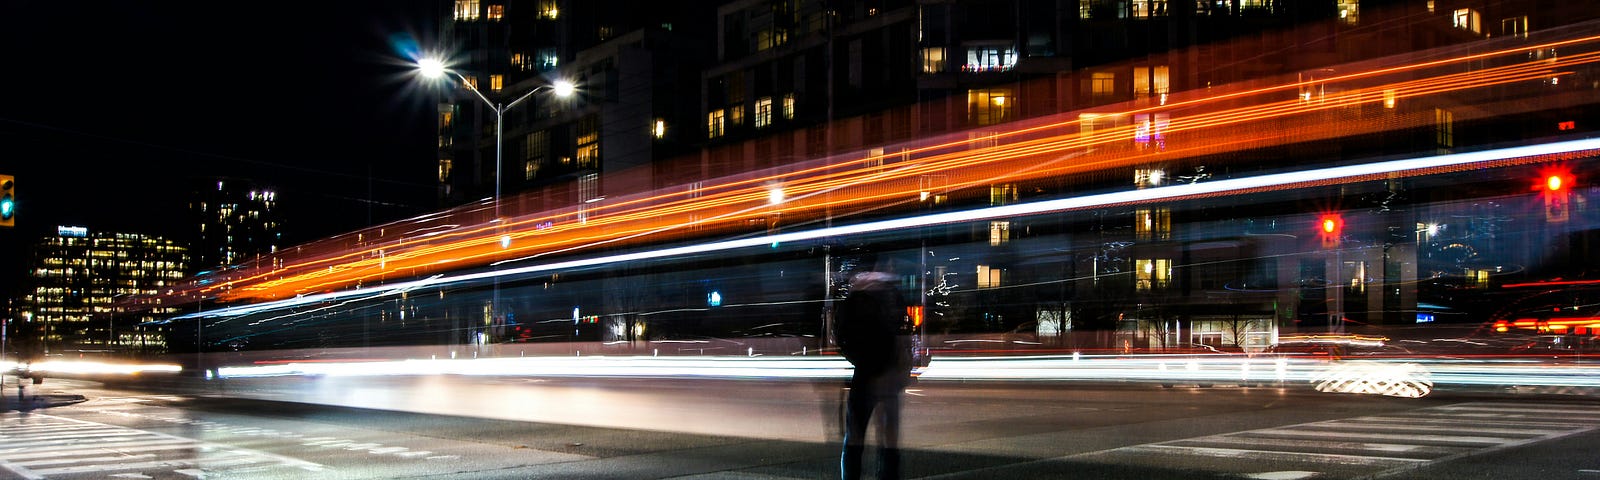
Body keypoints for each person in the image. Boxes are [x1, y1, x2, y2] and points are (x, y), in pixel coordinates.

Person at [835, 252, 914, 480]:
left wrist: (862, 360)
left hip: (867, 375)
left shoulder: (857, 297)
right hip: (886, 375)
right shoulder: (891, 297)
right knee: (888, 440)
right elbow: (903, 332)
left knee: (856, 439)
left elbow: (843, 337)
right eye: (888, 265)